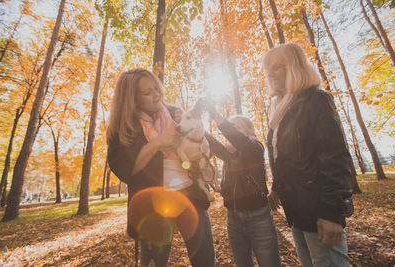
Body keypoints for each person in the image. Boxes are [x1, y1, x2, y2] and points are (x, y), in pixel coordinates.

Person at [106, 68, 215, 267]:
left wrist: (203, 147)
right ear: (133, 99)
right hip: (153, 207)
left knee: (205, 260)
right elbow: (126, 171)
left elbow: (203, 142)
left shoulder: (174, 113)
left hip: (190, 196)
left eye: (157, 88)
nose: (156, 95)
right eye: (147, 93)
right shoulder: (123, 128)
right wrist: (156, 144)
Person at [263, 42, 353, 267]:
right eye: (268, 69)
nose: (270, 73)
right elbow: (287, 159)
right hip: (295, 211)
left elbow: (334, 157)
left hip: (319, 210)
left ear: (294, 67)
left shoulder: (315, 100)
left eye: (277, 67)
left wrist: (332, 213)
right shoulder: (279, 113)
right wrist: (276, 187)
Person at [203, 105, 281, 267]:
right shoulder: (229, 154)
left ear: (248, 131)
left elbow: (240, 141)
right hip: (233, 219)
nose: (231, 133)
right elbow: (212, 143)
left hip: (259, 218)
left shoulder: (255, 148)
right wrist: (196, 126)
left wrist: (217, 117)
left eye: (236, 127)